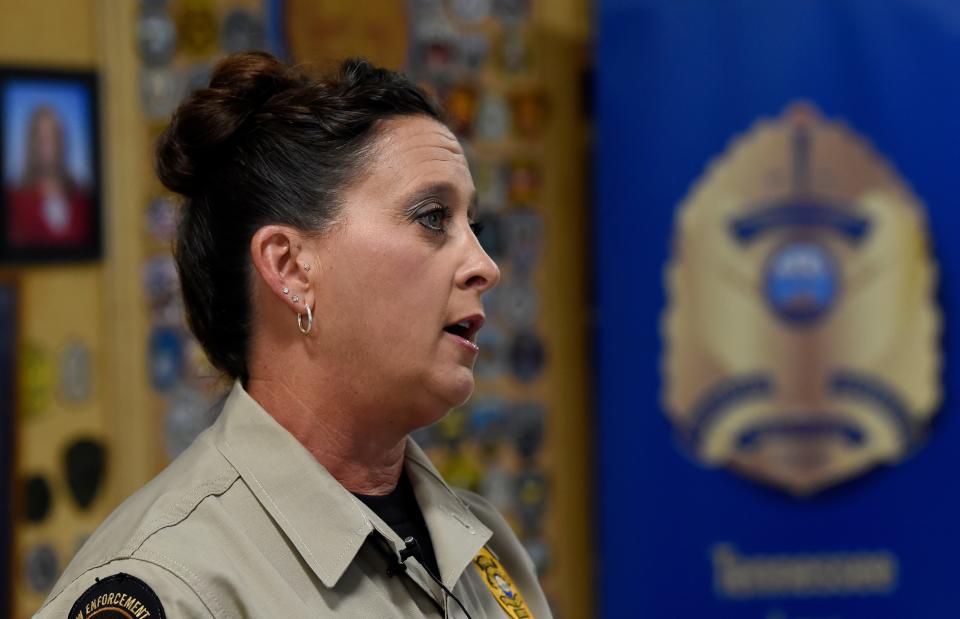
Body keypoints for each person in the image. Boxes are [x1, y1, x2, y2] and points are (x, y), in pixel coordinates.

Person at [33, 52, 549, 618]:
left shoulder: (486, 545)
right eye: (432, 217)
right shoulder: (171, 582)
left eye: (472, 226)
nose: (485, 265)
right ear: (290, 267)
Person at [6, 105, 92, 247]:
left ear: (63, 141)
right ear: (31, 144)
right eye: (41, 137)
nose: (48, 144)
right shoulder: (14, 200)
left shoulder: (83, 199)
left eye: (53, 135)